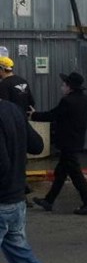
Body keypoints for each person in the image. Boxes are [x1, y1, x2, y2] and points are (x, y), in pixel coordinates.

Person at [0, 99, 79, 263]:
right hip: (16, 201)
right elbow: (36, 145)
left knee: (26, 262)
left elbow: (2, 166)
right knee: (27, 262)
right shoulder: (12, 109)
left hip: (3, 201)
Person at [30, 72, 87, 215]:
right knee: (60, 173)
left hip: (67, 142)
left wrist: (34, 115)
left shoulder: (67, 101)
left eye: (64, 85)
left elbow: (53, 115)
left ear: (69, 87)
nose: (62, 87)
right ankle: (49, 200)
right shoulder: (86, 100)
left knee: (76, 174)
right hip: (76, 140)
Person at [0, 56, 37, 206]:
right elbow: (31, 103)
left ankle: (19, 193)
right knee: (21, 159)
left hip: (9, 127)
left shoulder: (4, 85)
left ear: (2, 69)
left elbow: (4, 107)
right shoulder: (23, 81)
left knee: (9, 160)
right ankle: (22, 191)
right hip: (23, 125)